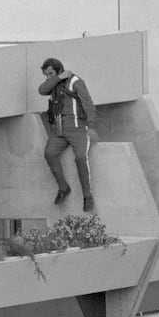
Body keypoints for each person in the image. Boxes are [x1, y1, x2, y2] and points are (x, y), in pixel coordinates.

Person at [38, 58, 99, 212]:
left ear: (59, 69)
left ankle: (88, 196)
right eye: (47, 74)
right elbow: (41, 90)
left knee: (80, 157)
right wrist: (57, 78)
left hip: (78, 128)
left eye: (51, 73)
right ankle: (63, 187)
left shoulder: (76, 81)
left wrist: (91, 127)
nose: (48, 77)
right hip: (59, 129)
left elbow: (88, 104)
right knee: (49, 153)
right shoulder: (53, 82)